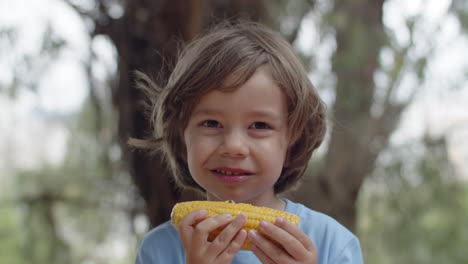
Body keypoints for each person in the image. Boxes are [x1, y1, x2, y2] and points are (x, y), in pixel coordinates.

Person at [133, 21, 363, 264]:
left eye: (260, 126)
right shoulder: (157, 251)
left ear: (292, 142)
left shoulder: (333, 243)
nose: (233, 147)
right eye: (211, 123)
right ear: (181, 135)